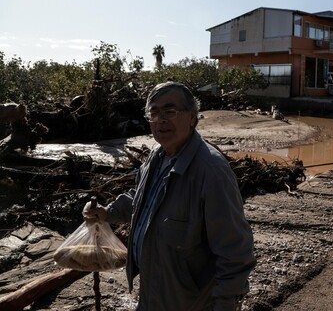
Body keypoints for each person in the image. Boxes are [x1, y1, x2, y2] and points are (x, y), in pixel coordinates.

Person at [84, 81, 255, 311]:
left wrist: (225, 303)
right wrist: (108, 212)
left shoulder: (211, 171)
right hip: (152, 294)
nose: (161, 119)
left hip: (190, 303)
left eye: (170, 111)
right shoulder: (156, 157)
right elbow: (143, 198)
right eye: (154, 113)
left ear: (193, 117)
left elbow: (235, 249)